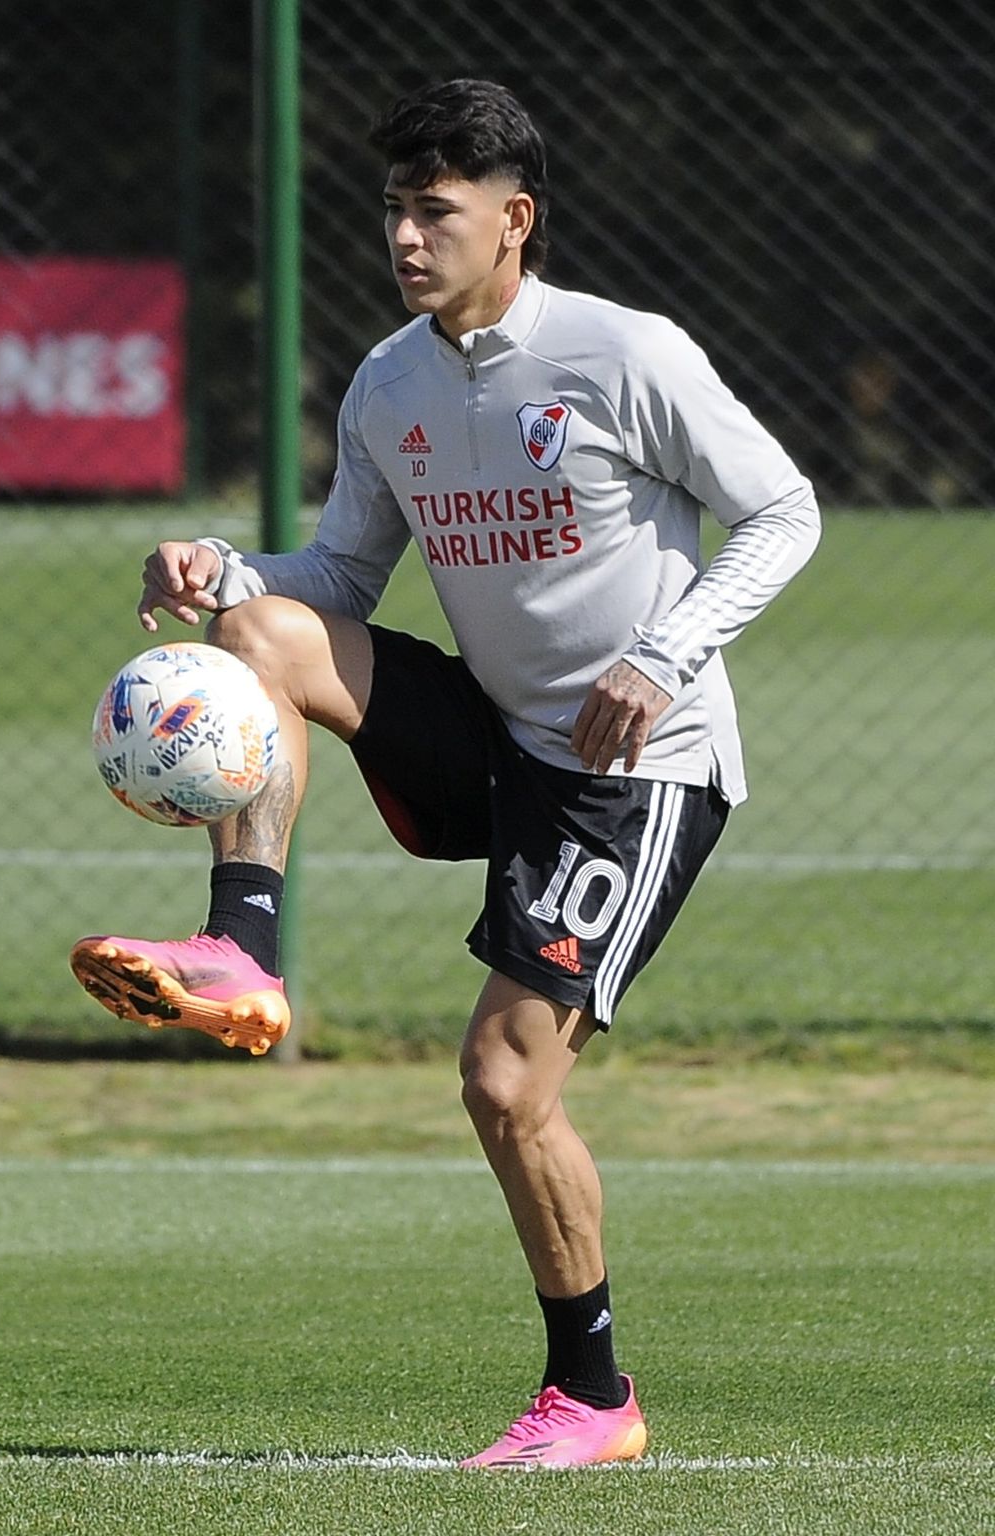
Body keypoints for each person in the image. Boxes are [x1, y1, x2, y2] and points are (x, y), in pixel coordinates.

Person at [71, 77, 820, 1469]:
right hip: (493, 734)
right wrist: (217, 565)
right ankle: (243, 948)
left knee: (503, 1083)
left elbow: (784, 509)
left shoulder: (621, 354)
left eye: (437, 211)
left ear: (514, 220)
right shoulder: (391, 382)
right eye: (393, 211)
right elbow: (340, 578)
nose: (406, 238)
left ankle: (593, 1401)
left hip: (634, 769)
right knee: (260, 632)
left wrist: (662, 654)